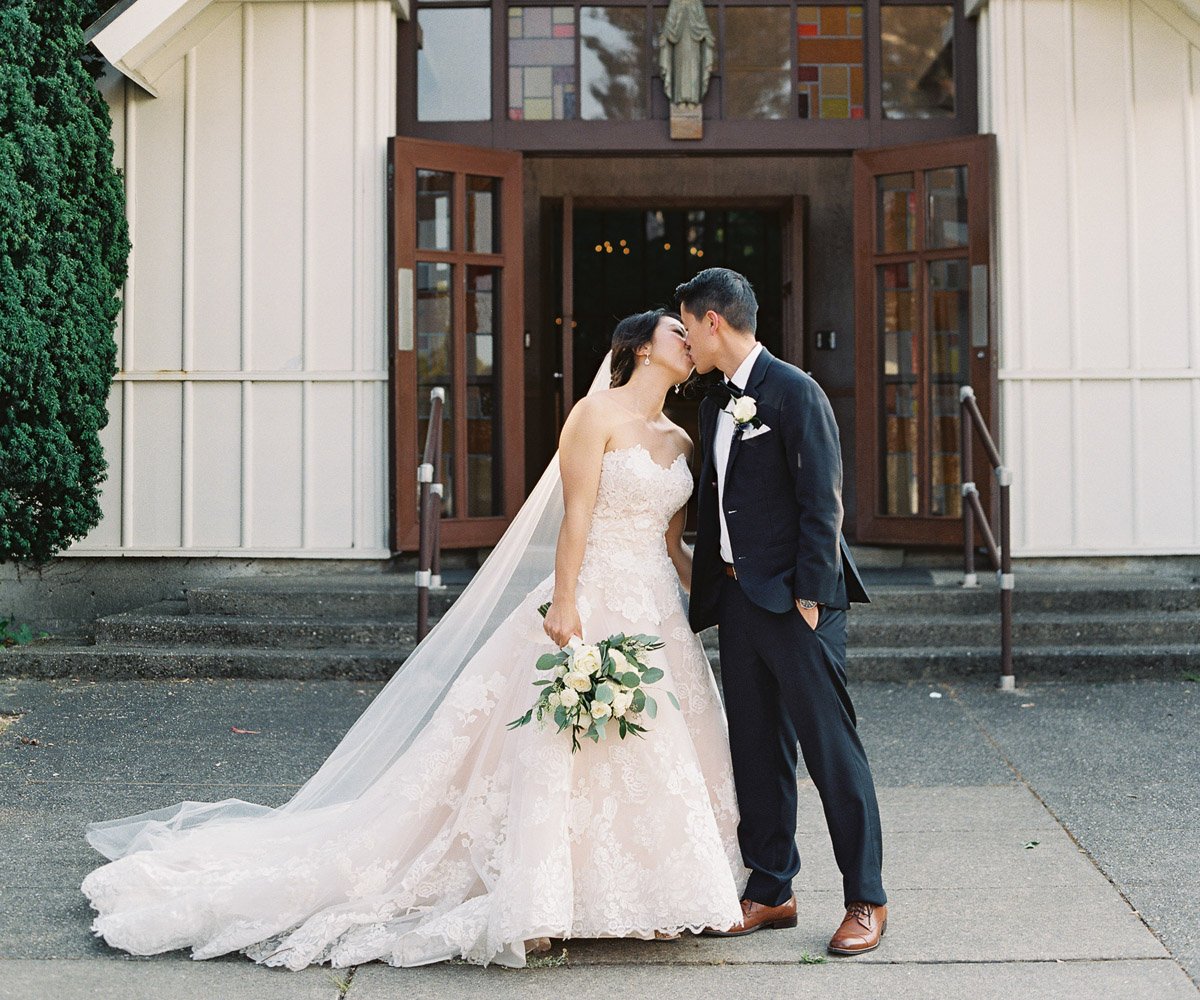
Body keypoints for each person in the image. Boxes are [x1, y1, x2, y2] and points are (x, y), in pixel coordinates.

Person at [80, 309, 745, 969]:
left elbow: (671, 545)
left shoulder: (682, 442)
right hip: (591, 594)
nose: (689, 343)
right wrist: (565, 601)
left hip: (653, 608)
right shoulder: (593, 416)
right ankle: (543, 896)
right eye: (675, 333)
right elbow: (575, 519)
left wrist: (714, 602)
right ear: (638, 345)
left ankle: (645, 895)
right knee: (561, 744)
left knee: (653, 750)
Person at [678, 267, 888, 955]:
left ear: (714, 321)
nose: (685, 341)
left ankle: (866, 898)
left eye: (689, 326)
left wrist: (810, 596)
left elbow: (823, 500)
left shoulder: (795, 390)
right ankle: (771, 888)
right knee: (756, 750)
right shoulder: (712, 405)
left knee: (832, 755)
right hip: (739, 600)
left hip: (799, 602)